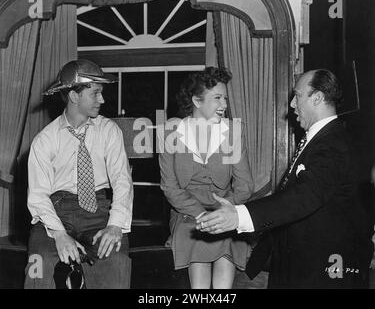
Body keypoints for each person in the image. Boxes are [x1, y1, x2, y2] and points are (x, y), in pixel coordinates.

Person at [196, 69, 373, 288]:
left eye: (297, 95)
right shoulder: (321, 139)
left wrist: (239, 216)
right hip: (300, 266)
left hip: (320, 272)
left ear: (317, 98)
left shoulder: (333, 144)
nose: (291, 104)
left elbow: (304, 195)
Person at [24, 59, 133, 289]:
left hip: (99, 211)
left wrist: (115, 225)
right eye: (95, 94)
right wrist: (59, 235)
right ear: (74, 96)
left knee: (117, 260)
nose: (102, 100)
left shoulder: (109, 131)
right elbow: (38, 195)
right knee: (39, 263)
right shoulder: (45, 140)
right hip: (56, 212)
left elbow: (122, 180)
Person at [158, 67, 254, 289]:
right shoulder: (170, 133)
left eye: (225, 98)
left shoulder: (233, 132)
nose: (224, 105)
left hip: (226, 210)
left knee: (225, 246)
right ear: (197, 101)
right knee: (199, 281)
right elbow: (170, 188)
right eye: (217, 98)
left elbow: (245, 185)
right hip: (188, 214)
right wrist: (201, 215)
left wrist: (226, 211)